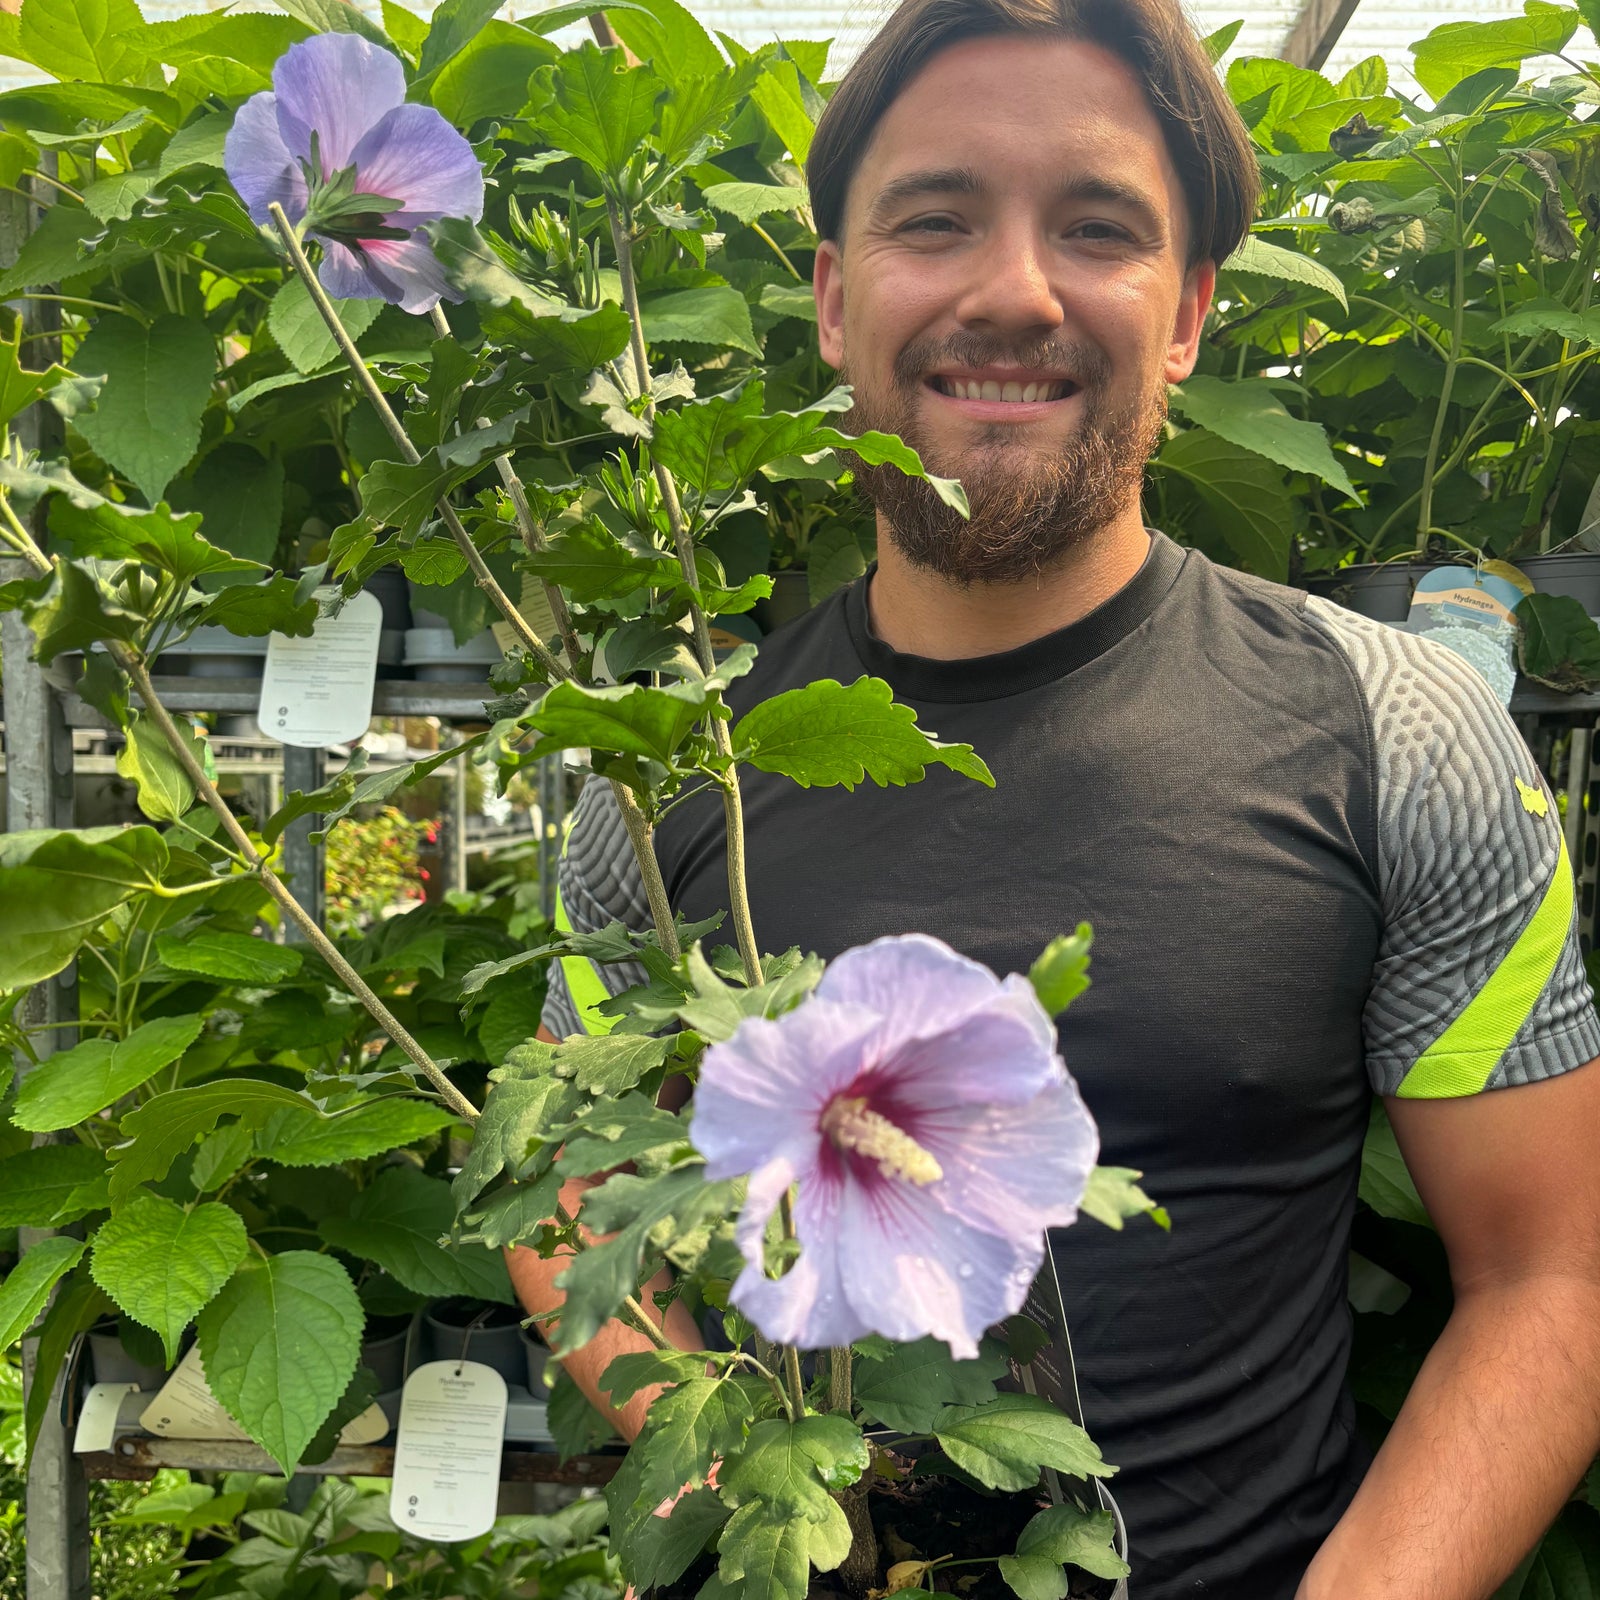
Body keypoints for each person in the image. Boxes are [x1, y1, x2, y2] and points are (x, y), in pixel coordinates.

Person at [507, 0, 1600, 1592]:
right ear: (831, 296)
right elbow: (566, 1177)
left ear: (1188, 314)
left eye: (1095, 227)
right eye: (934, 218)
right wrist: (729, 1502)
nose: (1013, 290)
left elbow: (1554, 1276)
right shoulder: (673, 761)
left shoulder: (1400, 730)